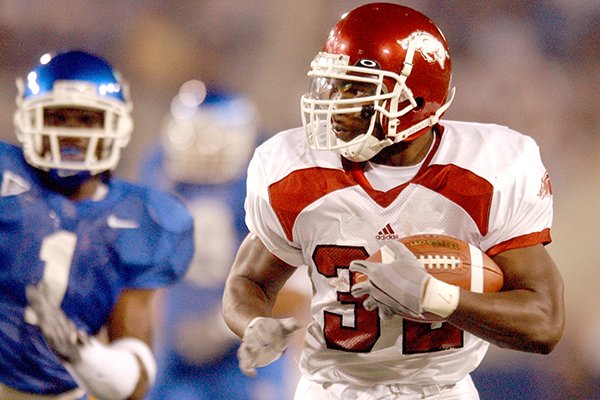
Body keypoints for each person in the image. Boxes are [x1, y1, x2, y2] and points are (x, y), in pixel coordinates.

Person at [222, 3, 565, 400]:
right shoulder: (294, 171)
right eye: (333, 85)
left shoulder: (487, 173)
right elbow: (248, 281)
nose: (335, 104)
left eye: (357, 88)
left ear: (416, 98)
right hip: (332, 390)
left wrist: (434, 297)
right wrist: (253, 324)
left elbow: (544, 324)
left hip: (440, 391)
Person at [0, 50, 194, 400]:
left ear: (115, 126)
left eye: (86, 120)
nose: (71, 135)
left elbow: (135, 382)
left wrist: (83, 355)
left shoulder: (141, 220)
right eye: (58, 117)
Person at [140, 80, 309, 400]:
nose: (203, 149)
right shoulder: (161, 173)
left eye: (212, 137)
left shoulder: (268, 181)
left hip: (248, 356)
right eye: (195, 136)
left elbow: (298, 289)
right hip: (176, 351)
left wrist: (223, 326)